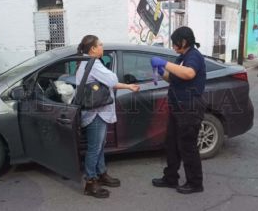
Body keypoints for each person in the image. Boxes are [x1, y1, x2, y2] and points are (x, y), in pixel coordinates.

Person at [76, 35, 140, 198]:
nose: (102, 47)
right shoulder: (93, 63)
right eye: (100, 45)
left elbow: (109, 82)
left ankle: (101, 173)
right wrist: (121, 82)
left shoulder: (87, 62)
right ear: (93, 49)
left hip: (98, 112)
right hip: (96, 114)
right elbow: (112, 79)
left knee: (99, 146)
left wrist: (128, 86)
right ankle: (90, 182)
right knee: (95, 148)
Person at [150, 26, 206, 194]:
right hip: (177, 107)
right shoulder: (181, 58)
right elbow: (174, 77)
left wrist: (164, 63)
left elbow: (189, 74)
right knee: (172, 144)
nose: (173, 46)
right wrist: (162, 72)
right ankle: (170, 177)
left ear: (184, 41)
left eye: (175, 43)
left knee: (187, 146)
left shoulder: (193, 56)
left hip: (189, 108)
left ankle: (195, 183)